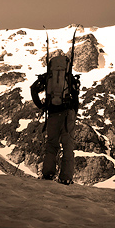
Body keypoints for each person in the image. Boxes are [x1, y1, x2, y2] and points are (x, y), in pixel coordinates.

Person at [31, 53, 80, 184]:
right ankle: (66, 178)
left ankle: (48, 174)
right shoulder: (69, 78)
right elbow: (76, 99)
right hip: (67, 115)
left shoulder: (48, 77)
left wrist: (41, 106)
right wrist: (73, 113)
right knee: (67, 146)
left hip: (52, 114)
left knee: (51, 145)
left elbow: (33, 89)